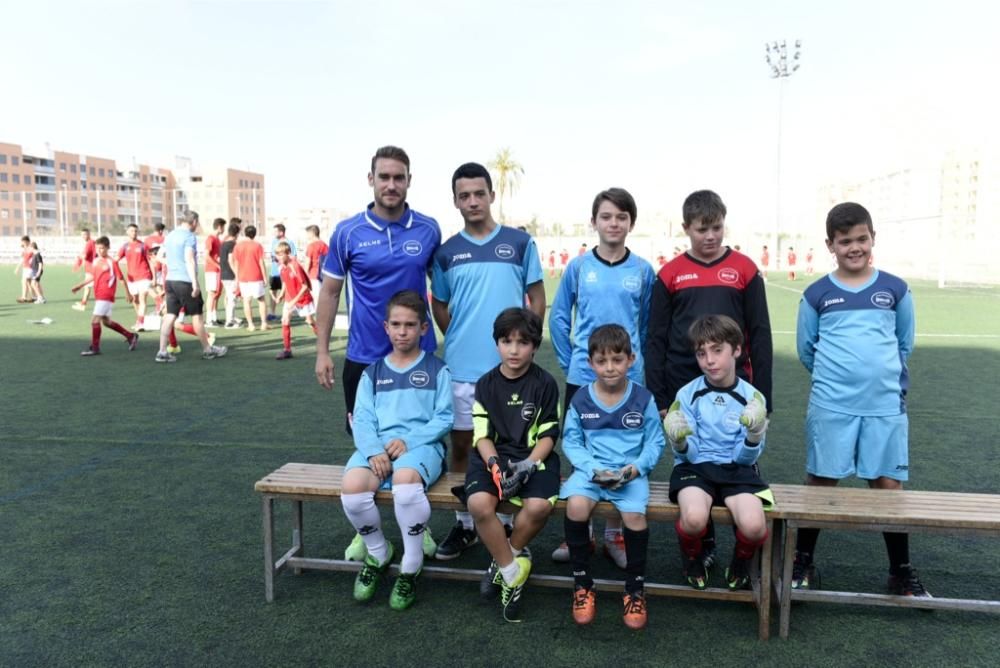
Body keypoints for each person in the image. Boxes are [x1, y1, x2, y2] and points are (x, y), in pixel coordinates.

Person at [792, 202, 929, 597]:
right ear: (830, 245)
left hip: (884, 406)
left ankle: (900, 570)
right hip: (832, 405)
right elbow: (807, 349)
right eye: (845, 241)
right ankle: (802, 562)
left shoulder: (895, 289)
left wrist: (879, 378)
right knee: (821, 481)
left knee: (887, 485)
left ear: (873, 238)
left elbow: (904, 343)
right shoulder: (817, 293)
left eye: (861, 239)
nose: (855, 247)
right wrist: (838, 380)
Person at [645, 189, 773, 576]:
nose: (710, 236)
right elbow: (655, 337)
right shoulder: (670, 273)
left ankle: (740, 545)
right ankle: (703, 545)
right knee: (693, 458)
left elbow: (760, 332)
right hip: (683, 383)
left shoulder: (745, 269)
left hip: (736, 385)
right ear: (686, 229)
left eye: (716, 227)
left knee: (736, 455)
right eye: (702, 229)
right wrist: (661, 398)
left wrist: (764, 398)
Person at [430, 162, 545, 561]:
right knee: (463, 443)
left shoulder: (518, 243)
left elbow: (537, 295)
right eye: (465, 195)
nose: (473, 201)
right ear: (456, 201)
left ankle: (509, 525)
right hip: (463, 367)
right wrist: (462, 336)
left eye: (479, 193)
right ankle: (465, 525)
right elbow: (440, 305)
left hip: (513, 369)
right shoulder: (446, 252)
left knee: (512, 444)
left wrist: (528, 340)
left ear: (492, 195)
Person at [549, 187, 656, 569]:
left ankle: (615, 535)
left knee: (624, 447)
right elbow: (560, 317)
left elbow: (646, 324)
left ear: (631, 223)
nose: (614, 223)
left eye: (622, 217)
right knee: (581, 447)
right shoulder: (579, 267)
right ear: (593, 222)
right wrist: (571, 362)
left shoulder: (643, 270)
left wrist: (637, 365)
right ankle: (581, 530)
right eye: (607, 216)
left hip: (629, 378)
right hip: (584, 375)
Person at [339, 290, 453, 610]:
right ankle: (378, 552)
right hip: (376, 447)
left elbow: (444, 417)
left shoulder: (436, 369)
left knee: (405, 483)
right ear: (386, 327)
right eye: (396, 324)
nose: (403, 331)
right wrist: (374, 450)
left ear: (424, 328)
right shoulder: (372, 372)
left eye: (410, 325)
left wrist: (410, 441)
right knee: (352, 488)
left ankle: (411, 565)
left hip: (422, 447)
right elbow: (361, 418)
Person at [315, 145, 441, 434]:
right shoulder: (347, 232)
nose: (391, 185)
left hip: (419, 355)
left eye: (399, 178)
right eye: (384, 177)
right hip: (365, 357)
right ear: (370, 179)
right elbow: (330, 293)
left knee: (420, 438)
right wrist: (322, 352)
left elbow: (443, 291)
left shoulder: (429, 229)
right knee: (369, 444)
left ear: (409, 180)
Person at [560, 324, 665, 628]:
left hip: (629, 473)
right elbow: (572, 441)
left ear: (631, 359)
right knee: (576, 506)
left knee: (634, 518)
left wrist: (635, 469)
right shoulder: (580, 399)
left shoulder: (643, 398)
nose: (609, 368)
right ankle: (582, 584)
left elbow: (655, 441)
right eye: (602, 361)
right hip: (591, 470)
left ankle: (634, 590)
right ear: (590, 363)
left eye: (617, 360)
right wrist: (592, 468)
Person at [663, 314, 772, 591]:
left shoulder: (752, 398)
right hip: (695, 467)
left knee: (754, 526)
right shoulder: (688, 394)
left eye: (717, 350)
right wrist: (680, 442)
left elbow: (745, 459)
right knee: (694, 519)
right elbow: (692, 455)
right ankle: (691, 557)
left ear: (736, 349)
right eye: (701, 353)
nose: (709, 360)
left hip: (737, 469)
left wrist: (753, 436)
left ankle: (741, 561)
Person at [465, 307, 560, 622]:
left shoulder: (545, 383)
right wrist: (494, 466)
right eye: (507, 341)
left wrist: (529, 465)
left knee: (538, 508)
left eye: (523, 342)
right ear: (497, 344)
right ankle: (511, 572)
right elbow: (481, 437)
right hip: (492, 456)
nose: (514, 349)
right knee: (479, 504)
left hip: (534, 457)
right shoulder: (485, 384)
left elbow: (548, 435)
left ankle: (504, 558)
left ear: (534, 345)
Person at [155, 211, 227, 363]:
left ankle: (162, 351)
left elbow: (159, 256)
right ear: (193, 221)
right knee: (197, 316)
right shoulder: (189, 237)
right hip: (185, 281)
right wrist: (194, 282)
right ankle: (208, 350)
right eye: (197, 222)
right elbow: (189, 259)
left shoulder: (170, 235)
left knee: (170, 316)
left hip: (170, 281)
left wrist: (173, 265)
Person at [70, 236, 140, 356]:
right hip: (99, 295)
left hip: (106, 295)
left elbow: (121, 278)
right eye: (97, 248)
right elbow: (93, 276)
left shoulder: (112, 262)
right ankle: (131, 336)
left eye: (102, 248)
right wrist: (80, 285)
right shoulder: (96, 261)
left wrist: (128, 293)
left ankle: (95, 348)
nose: (99, 251)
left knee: (95, 321)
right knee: (106, 322)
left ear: (108, 248)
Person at [274, 241, 317, 360]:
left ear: (288, 253)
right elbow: (284, 283)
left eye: (282, 254)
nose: (279, 257)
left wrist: (294, 301)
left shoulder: (295, 265)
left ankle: (323, 342)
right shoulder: (281, 267)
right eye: (277, 254)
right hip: (290, 298)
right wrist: (281, 295)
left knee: (309, 321)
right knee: (285, 320)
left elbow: (305, 287)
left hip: (303, 298)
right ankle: (287, 350)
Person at [230, 224, 269, 332]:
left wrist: (237, 278)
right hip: (256, 276)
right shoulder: (257, 246)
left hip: (243, 277)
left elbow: (236, 263)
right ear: (255, 234)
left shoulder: (238, 246)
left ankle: (251, 325)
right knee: (261, 300)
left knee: (246, 301)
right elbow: (261, 262)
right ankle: (263, 323)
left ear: (244, 233)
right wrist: (265, 277)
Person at [116, 223, 154, 331]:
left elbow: (150, 261)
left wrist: (154, 277)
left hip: (144, 276)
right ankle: (140, 320)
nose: (134, 233)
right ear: (127, 232)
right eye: (132, 231)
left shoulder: (143, 246)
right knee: (135, 300)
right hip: (131, 278)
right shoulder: (125, 246)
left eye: (136, 231)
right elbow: (116, 260)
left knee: (142, 299)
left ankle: (140, 322)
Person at [269, 223, 296, 321]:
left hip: (285, 273)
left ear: (281, 232)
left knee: (286, 292)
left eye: (275, 231)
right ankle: (272, 313)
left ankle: (287, 312)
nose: (274, 233)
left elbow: (293, 257)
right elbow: (272, 256)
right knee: (273, 291)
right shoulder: (274, 242)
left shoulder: (289, 242)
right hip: (274, 272)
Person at [204, 218, 226, 327]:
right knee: (212, 294)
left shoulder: (218, 240)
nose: (224, 229)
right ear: (219, 226)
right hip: (212, 270)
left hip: (217, 270)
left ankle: (214, 317)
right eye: (223, 227)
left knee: (217, 294)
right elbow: (206, 256)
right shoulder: (211, 239)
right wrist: (217, 265)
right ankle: (209, 319)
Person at [219, 222, 241, 328]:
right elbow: (231, 260)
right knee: (232, 298)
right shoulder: (232, 244)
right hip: (230, 274)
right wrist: (237, 274)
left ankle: (231, 318)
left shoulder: (223, 244)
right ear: (237, 233)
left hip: (223, 273)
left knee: (229, 297)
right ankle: (229, 321)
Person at [71, 228, 97, 311]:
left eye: (85, 234)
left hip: (91, 268)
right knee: (88, 287)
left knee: (87, 287)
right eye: (82, 235)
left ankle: (83, 305)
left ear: (89, 234)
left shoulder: (89, 243)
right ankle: (83, 303)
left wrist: (79, 258)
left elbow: (85, 256)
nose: (83, 236)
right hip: (92, 267)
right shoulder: (92, 243)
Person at [145, 222, 167, 314]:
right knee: (161, 288)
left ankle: (161, 304)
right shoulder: (165, 239)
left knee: (152, 287)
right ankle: (161, 306)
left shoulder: (148, 240)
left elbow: (147, 256)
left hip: (155, 266)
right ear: (161, 230)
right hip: (165, 266)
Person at [303, 224, 328, 297]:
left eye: (307, 233)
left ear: (312, 233)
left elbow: (307, 263)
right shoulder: (325, 245)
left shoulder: (311, 246)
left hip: (313, 277)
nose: (307, 236)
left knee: (314, 301)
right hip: (323, 276)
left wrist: (303, 277)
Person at [15, 236, 34, 303]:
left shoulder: (31, 248)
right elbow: (22, 259)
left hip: (30, 268)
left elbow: (36, 255)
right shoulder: (24, 249)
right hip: (25, 267)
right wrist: (18, 267)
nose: (23, 243)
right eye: (22, 242)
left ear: (27, 241)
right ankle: (28, 297)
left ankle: (29, 297)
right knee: (26, 282)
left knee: (27, 282)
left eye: (24, 242)